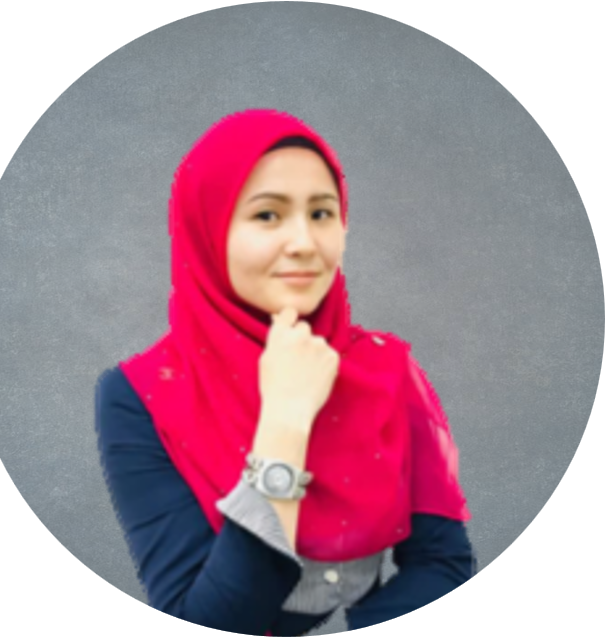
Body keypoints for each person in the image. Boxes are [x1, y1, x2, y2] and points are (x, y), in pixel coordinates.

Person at [94, 108, 477, 635]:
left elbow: (443, 565)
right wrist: (285, 422)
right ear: (207, 230)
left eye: (321, 213)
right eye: (267, 215)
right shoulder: (140, 395)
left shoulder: (388, 366)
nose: (304, 243)